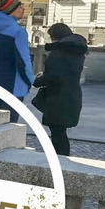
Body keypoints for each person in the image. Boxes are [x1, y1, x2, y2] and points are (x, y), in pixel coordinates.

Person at [31, 23, 87, 156]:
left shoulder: (59, 53)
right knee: (60, 133)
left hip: (58, 98)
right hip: (71, 95)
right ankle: (61, 159)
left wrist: (37, 80)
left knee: (58, 135)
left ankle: (60, 161)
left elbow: (53, 76)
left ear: (56, 37)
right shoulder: (76, 51)